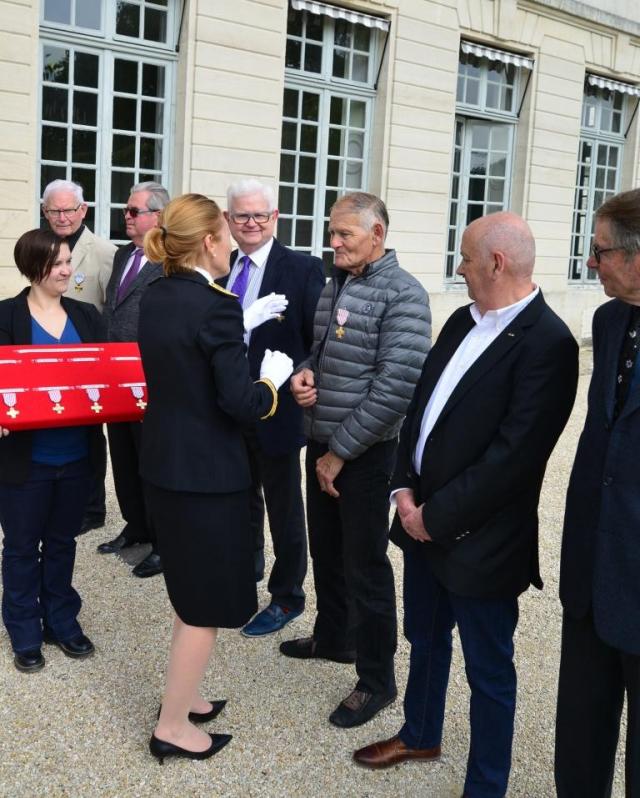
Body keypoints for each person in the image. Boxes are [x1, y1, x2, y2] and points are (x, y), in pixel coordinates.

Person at [353, 212, 578, 798]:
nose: (459, 268)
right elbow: (420, 409)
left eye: (466, 258)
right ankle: (421, 733)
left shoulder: (548, 343)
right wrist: (403, 488)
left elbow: (515, 457)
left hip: (481, 540)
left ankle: (485, 786)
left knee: (489, 671)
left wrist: (435, 516)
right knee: (425, 639)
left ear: (497, 263)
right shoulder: (460, 319)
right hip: (418, 517)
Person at [137, 193, 293, 763]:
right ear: (207, 241)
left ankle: (184, 696)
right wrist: (271, 382)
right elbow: (238, 401)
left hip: (165, 466)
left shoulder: (158, 296)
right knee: (203, 605)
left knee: (188, 594)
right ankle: (172, 727)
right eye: (227, 234)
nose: (234, 242)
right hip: (206, 475)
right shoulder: (217, 305)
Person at [283, 191, 431, 728]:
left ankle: (376, 679)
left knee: (364, 564)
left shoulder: (405, 295)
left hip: (366, 454)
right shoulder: (334, 285)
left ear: (378, 235)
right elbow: (320, 353)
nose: (334, 242)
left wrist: (340, 452)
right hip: (323, 442)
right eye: (332, 231)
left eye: (345, 233)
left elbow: (397, 386)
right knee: (325, 549)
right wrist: (303, 373)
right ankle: (334, 637)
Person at [555, 188, 640, 797]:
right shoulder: (608, 321)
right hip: (591, 567)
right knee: (580, 732)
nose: (591, 263)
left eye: (600, 251)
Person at [220, 179, 324, 637]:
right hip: (230, 405)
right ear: (228, 221)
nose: (252, 224)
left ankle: (288, 595)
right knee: (239, 497)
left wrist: (306, 373)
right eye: (242, 216)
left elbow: (316, 341)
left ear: (275, 217)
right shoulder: (222, 270)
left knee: (283, 504)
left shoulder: (302, 269)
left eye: (260, 215)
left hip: (278, 410)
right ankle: (244, 575)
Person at [0, 229, 104, 672]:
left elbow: (107, 373)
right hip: (26, 461)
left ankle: (62, 621)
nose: (67, 270)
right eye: (57, 263)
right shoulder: (5, 316)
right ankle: (25, 631)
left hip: (77, 456)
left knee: (62, 543)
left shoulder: (86, 315)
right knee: (22, 548)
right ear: (33, 267)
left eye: (68, 262)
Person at [97, 181, 169, 578]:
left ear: (157, 217)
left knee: (149, 460)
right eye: (127, 210)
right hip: (114, 377)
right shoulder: (125, 254)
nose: (126, 216)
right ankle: (136, 525)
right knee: (122, 457)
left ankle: (161, 540)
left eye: (133, 210)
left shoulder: (171, 259)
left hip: (149, 379)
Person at [42, 179, 116, 534]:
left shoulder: (103, 251)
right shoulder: (39, 245)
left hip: (87, 360)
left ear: (83, 210)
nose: (61, 217)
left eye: (68, 209)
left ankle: (92, 507)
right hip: (47, 355)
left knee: (89, 434)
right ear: (45, 212)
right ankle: (58, 495)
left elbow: (110, 309)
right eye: (54, 210)